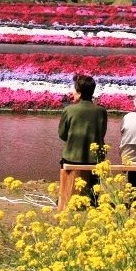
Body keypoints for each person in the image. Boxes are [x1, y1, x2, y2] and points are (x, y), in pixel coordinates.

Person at [58, 74, 108, 203]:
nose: (72, 92)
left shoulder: (69, 110)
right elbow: (101, 134)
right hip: (95, 159)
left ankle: (66, 198)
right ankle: (93, 199)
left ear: (79, 93)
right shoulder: (101, 111)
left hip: (72, 157)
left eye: (74, 90)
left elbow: (62, 134)